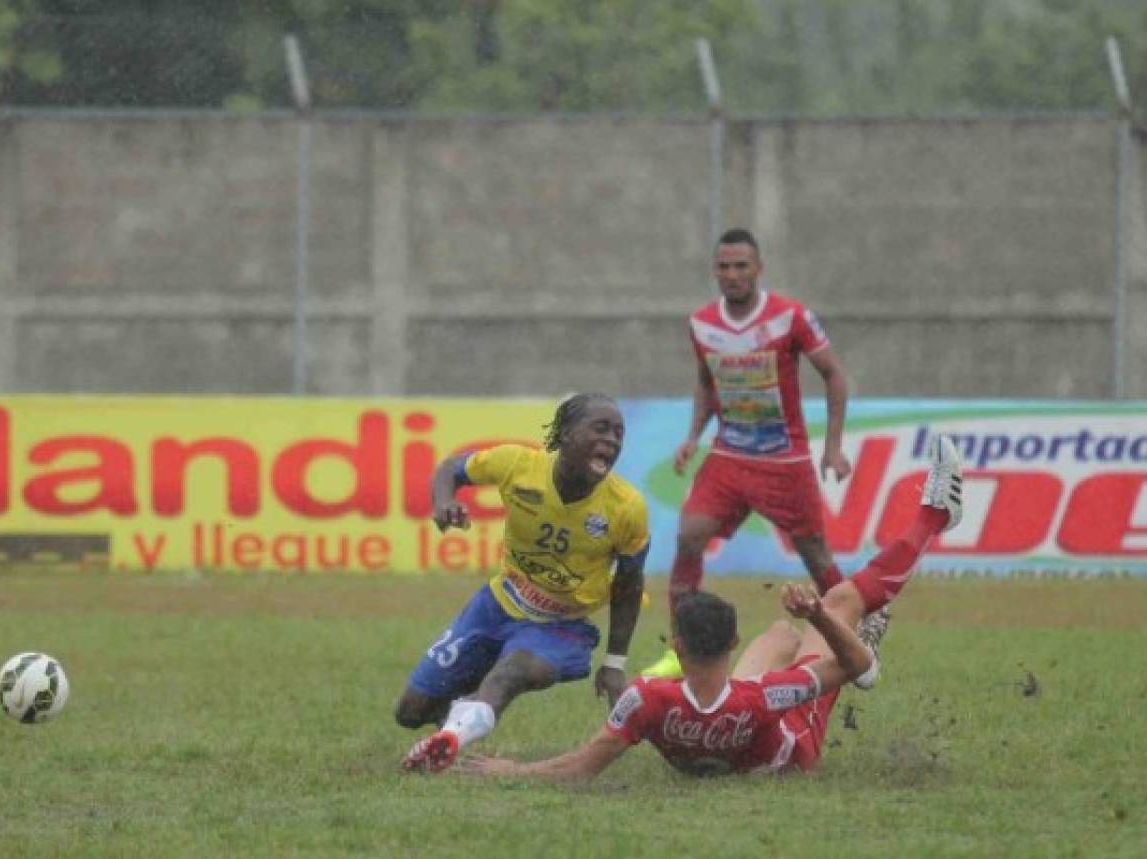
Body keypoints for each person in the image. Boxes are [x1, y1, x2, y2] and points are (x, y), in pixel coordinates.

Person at [459, 435, 963, 781]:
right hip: (791, 750)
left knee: (781, 638)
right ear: (729, 643)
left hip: (720, 719)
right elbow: (855, 668)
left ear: (677, 646)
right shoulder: (769, 697)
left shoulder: (647, 700)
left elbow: (581, 765)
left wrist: (515, 770)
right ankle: (935, 517)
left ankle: (847, 626)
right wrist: (821, 617)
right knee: (843, 602)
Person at [396, 393, 651, 773]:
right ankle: (456, 722)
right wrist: (444, 502)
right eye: (600, 428)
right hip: (496, 605)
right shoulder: (517, 465)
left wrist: (614, 663)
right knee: (410, 710)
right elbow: (451, 468)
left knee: (508, 675)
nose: (612, 440)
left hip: (562, 627)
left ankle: (448, 742)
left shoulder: (626, 508)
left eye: (618, 433)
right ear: (565, 433)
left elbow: (628, 586)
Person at [644, 227, 855, 679]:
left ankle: (856, 635)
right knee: (688, 535)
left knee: (816, 556)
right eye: (724, 266)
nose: (733, 274)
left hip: (784, 460)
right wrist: (693, 435)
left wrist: (833, 447)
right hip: (729, 456)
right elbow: (706, 382)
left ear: (758, 269)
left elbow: (833, 374)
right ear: (714, 271)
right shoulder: (702, 323)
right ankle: (681, 646)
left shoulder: (789, 317)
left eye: (741, 266)